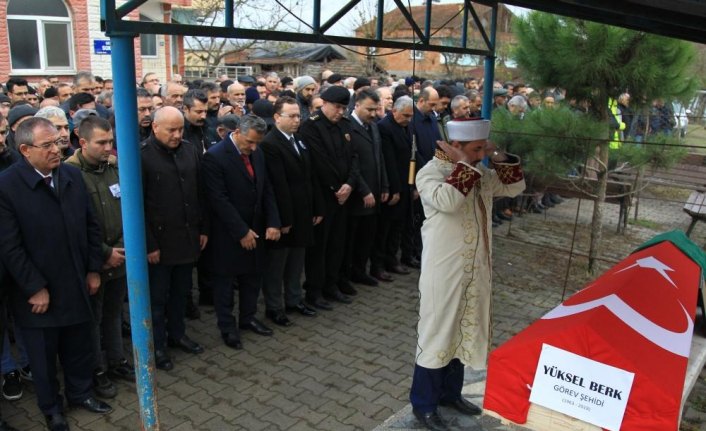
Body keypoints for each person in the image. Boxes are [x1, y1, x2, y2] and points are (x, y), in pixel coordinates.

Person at [409, 119, 525, 431]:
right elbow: (447, 201)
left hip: (477, 268)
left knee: (465, 328)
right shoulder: (429, 172)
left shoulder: (482, 171)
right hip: (444, 271)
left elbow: (515, 186)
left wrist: (496, 153)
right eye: (477, 149)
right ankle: (424, 405)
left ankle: (450, 394)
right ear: (456, 146)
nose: (482, 154)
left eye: (484, 147)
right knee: (438, 333)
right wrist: (464, 165)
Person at [0, 118, 112, 431]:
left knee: (79, 348)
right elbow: (9, 247)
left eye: (57, 142)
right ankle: (52, 409)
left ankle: (81, 393)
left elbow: (92, 226)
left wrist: (93, 269)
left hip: (76, 281)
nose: (56, 149)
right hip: (38, 295)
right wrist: (34, 287)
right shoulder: (7, 187)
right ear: (25, 150)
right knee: (43, 357)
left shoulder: (71, 175)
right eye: (46, 145)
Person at [65, 116, 134, 399]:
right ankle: (97, 370)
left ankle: (116, 360)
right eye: (102, 143)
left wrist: (120, 251)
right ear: (82, 143)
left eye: (111, 142)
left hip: (120, 258)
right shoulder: (69, 173)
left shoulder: (114, 168)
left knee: (114, 313)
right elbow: (74, 223)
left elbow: (124, 210)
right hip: (93, 263)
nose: (109, 148)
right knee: (92, 320)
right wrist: (104, 254)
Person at [201, 115, 280, 349]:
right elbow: (218, 200)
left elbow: (266, 189)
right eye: (249, 142)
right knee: (225, 284)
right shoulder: (215, 157)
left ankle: (248, 318)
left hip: (255, 228)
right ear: (236, 132)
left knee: (252, 277)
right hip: (228, 233)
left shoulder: (257, 152)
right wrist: (241, 232)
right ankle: (227, 327)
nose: (253, 148)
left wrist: (273, 222)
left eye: (257, 143)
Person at [141, 107, 208, 371]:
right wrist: (149, 244)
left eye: (180, 129)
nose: (177, 134)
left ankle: (177, 334)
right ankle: (157, 346)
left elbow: (199, 192)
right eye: (171, 130)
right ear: (155, 128)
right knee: (157, 299)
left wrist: (204, 229)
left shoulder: (190, 149)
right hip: (159, 243)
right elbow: (138, 205)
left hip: (188, 237)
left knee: (181, 292)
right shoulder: (141, 156)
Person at [260, 97, 322, 327]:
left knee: (296, 262)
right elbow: (277, 186)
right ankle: (274, 307)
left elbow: (309, 176)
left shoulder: (299, 140)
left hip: (303, 213)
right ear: (277, 117)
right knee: (277, 266)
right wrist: (281, 220)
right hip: (285, 216)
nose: (298, 120)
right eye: (292, 116)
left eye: (299, 116)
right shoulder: (270, 144)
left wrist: (316, 208)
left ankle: (294, 300)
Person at [299, 86, 360, 309]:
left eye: (344, 108)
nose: (340, 112)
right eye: (337, 107)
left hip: (344, 195)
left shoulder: (345, 125)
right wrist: (338, 187)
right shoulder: (311, 127)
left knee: (337, 244)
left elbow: (354, 157)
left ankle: (331, 285)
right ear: (323, 103)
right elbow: (320, 162)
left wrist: (350, 184)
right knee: (319, 247)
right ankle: (314, 290)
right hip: (323, 196)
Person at [342, 89, 389, 287]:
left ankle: (360, 271)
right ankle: (349, 273)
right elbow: (352, 164)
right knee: (353, 239)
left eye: (375, 109)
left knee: (367, 237)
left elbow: (379, 157)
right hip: (358, 195)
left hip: (376, 191)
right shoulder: (347, 127)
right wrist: (364, 190)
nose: (373, 114)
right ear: (357, 105)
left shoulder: (373, 127)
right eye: (369, 109)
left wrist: (384, 185)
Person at [372, 96, 414, 278]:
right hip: (392, 186)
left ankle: (392, 259)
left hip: (407, 183)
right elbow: (388, 161)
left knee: (398, 227)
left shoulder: (407, 127)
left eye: (411, 116)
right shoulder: (385, 127)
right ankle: (378, 264)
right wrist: (393, 189)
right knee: (385, 229)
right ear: (394, 110)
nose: (408, 119)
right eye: (405, 115)